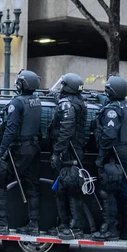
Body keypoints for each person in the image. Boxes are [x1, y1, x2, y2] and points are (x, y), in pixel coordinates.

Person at [0, 70, 42, 235]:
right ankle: (34, 226)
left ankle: (2, 224)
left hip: (19, 149)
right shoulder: (37, 101)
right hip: (33, 148)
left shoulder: (17, 103)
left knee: (0, 181)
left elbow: (10, 131)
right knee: (31, 187)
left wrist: (0, 153)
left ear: (21, 85)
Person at [91, 76, 127, 241]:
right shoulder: (126, 104)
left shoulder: (112, 111)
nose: (106, 91)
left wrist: (101, 156)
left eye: (108, 89)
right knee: (126, 192)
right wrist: (100, 97)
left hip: (115, 155)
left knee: (109, 192)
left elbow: (108, 136)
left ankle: (110, 230)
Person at [48, 73, 88, 240]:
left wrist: (57, 152)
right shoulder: (78, 101)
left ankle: (74, 227)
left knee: (71, 191)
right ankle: (64, 225)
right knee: (63, 190)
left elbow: (66, 129)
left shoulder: (67, 105)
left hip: (68, 152)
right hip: (74, 151)